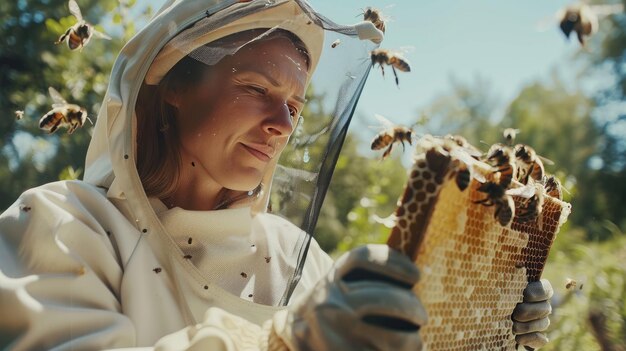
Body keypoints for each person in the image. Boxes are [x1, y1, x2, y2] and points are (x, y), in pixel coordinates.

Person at [0, 0, 553, 349]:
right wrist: (287, 341)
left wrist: (486, 324)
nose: (282, 125)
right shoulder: (60, 224)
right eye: (256, 90)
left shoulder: (300, 258)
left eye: (296, 106)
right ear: (171, 85)